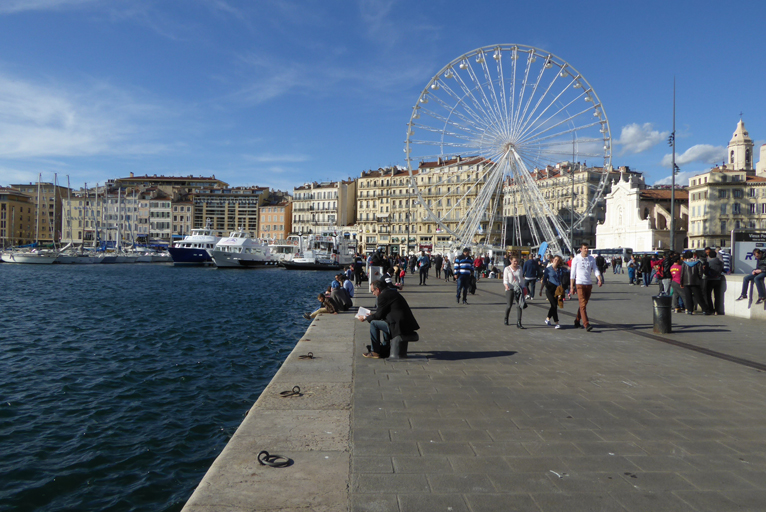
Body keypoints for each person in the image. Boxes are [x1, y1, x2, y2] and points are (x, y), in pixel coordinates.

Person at [358, 279, 420, 358]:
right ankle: (385, 347)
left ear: (378, 289)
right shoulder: (390, 292)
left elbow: (378, 316)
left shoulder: (382, 296)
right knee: (382, 322)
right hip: (404, 323)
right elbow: (381, 314)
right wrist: (372, 315)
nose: (373, 293)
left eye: (373, 291)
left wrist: (365, 317)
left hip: (399, 326)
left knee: (374, 324)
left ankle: (375, 351)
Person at [569, 243, 602, 332]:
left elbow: (595, 269)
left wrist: (599, 278)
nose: (586, 250)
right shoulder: (576, 259)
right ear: (581, 249)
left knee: (583, 304)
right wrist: (571, 287)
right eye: (585, 248)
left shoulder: (591, 259)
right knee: (582, 304)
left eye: (587, 248)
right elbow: (572, 274)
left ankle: (577, 320)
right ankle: (586, 324)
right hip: (579, 283)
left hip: (588, 284)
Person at [680, 251, 712, 315]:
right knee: (698, 296)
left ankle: (690, 310)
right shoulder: (698, 262)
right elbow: (700, 272)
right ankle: (705, 309)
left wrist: (681, 283)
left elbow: (682, 274)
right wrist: (699, 278)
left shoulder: (684, 263)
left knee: (688, 296)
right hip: (695, 281)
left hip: (686, 281)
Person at [541, 255, 568, 329]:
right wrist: (541, 290)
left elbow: (569, 269)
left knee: (554, 306)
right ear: (552, 260)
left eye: (558, 260)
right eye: (555, 259)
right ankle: (557, 323)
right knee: (554, 306)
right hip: (549, 290)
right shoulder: (548, 269)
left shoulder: (560, 269)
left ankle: (547, 319)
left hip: (557, 290)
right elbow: (544, 280)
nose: (556, 261)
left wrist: (563, 265)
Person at [503, 257, 526, 328]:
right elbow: (505, 279)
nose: (516, 262)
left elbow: (521, 278)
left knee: (519, 305)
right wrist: (506, 285)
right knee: (509, 305)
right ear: (511, 261)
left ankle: (519, 322)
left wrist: (523, 287)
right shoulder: (507, 269)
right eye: (514, 261)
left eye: (517, 261)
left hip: (518, 289)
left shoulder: (519, 268)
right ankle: (506, 318)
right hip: (510, 288)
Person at [703, 250, 724, 314]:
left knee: (708, 295)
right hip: (718, 279)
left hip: (710, 280)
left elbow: (706, 272)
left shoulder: (709, 262)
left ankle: (711, 309)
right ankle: (717, 310)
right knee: (717, 296)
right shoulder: (720, 262)